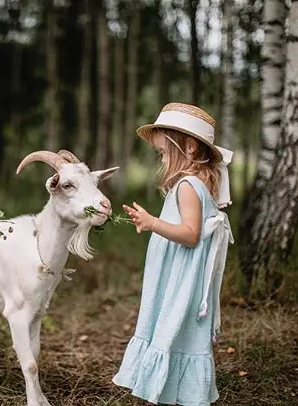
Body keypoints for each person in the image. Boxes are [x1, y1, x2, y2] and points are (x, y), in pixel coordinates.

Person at [113, 103, 234, 405]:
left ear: (190, 148)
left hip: (180, 272)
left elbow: (190, 235)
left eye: (165, 152)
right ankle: (180, 391)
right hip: (185, 271)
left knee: (169, 324)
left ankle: (169, 389)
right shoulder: (202, 181)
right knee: (180, 330)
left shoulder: (187, 186)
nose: (162, 158)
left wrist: (153, 223)